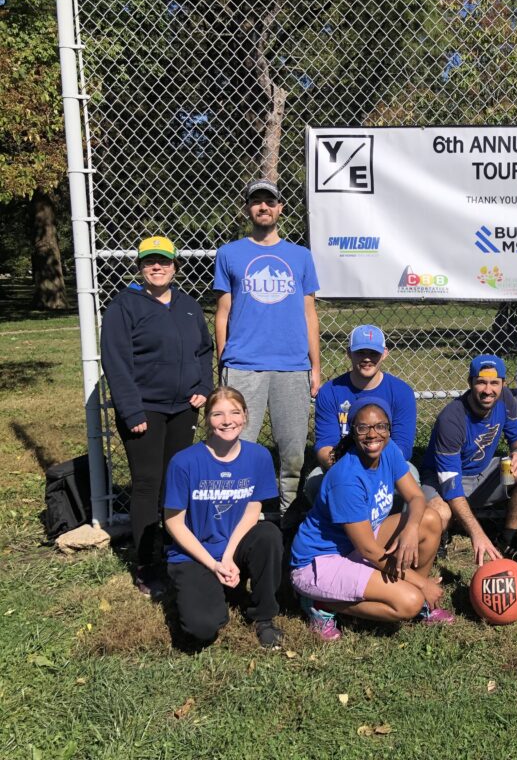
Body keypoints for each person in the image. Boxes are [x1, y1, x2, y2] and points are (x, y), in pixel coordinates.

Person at [100, 235, 212, 597]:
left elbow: (203, 351)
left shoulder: (189, 306)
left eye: (163, 261)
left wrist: (204, 387)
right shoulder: (125, 306)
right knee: (148, 483)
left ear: (175, 266)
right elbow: (116, 363)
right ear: (140, 267)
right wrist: (131, 410)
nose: (157, 267)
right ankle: (147, 563)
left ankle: (174, 547)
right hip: (145, 410)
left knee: (175, 481)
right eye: (150, 261)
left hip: (183, 408)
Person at [291, 397, 452, 639]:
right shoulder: (346, 478)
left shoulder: (389, 451)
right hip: (319, 561)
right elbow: (368, 550)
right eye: (363, 427)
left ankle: (421, 602)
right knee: (409, 601)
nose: (372, 434)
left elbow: (417, 498)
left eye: (380, 426)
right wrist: (421, 583)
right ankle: (321, 603)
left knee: (428, 519)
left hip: (354, 547)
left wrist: (410, 529)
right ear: (353, 432)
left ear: (389, 429)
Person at [214, 179, 321, 519]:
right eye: (257, 201)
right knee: (237, 447)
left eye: (270, 202)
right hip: (243, 365)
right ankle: (237, 515)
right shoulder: (229, 254)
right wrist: (223, 363)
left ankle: (288, 518)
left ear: (280, 209)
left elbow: (309, 314)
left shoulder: (300, 257)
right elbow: (223, 313)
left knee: (292, 453)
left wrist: (315, 367)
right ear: (247, 208)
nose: (264, 207)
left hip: (292, 366)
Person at [163, 386, 284, 649]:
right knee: (202, 629)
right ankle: (208, 590)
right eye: (218, 414)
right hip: (195, 553)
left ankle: (264, 616)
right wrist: (213, 564)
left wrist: (227, 557)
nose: (227, 421)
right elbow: (173, 522)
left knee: (269, 535)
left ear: (245, 416)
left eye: (234, 412)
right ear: (207, 419)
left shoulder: (258, 456)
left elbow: (253, 510)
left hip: (233, 546)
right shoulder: (184, 462)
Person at [420, 355, 517, 566]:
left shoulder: (504, 398)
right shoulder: (451, 419)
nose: (488, 390)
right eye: (481, 382)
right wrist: (477, 533)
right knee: (439, 513)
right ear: (470, 383)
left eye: (494, 383)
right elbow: (451, 486)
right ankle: (440, 541)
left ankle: (506, 539)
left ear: (503, 384)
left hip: (483, 472)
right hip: (444, 479)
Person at [305, 325, 417, 508]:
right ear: (349, 353)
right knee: (315, 483)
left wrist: (374, 472)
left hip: (386, 465)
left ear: (385, 353)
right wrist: (353, 472)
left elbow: (403, 449)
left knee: (412, 476)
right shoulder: (330, 392)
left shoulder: (401, 392)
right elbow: (325, 447)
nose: (367, 358)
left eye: (373, 353)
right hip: (344, 466)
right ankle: (340, 531)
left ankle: (393, 528)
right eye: (360, 352)